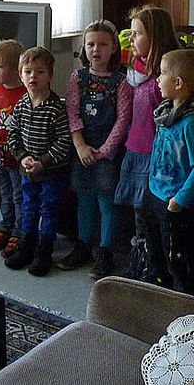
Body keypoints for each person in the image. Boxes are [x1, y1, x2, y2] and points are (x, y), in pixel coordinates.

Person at [57, 20, 131, 278]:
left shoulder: (121, 83)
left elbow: (123, 120)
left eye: (102, 44)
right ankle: (83, 245)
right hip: (82, 148)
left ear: (114, 48)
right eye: (90, 44)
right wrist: (80, 145)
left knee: (106, 202)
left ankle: (105, 251)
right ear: (84, 48)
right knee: (84, 201)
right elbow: (72, 111)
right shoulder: (78, 77)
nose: (96, 49)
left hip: (106, 152)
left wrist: (104, 150)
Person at [114, 5, 181, 280]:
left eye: (137, 33)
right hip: (136, 150)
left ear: (155, 37)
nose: (131, 39)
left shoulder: (162, 82)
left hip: (155, 159)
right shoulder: (136, 72)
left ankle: (155, 267)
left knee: (151, 219)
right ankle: (143, 259)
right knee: (138, 216)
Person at [141, 49, 194, 296]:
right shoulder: (165, 114)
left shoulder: (192, 123)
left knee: (179, 259)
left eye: (162, 74)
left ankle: (186, 301)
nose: (157, 79)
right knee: (155, 250)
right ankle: (160, 290)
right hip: (154, 195)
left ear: (178, 83)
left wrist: (179, 201)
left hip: (176, 204)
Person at [4, 47, 73, 277]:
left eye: (40, 71)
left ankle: (44, 251)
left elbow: (64, 140)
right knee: (29, 207)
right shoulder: (22, 105)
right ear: (20, 75)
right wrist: (23, 157)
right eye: (28, 71)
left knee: (49, 209)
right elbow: (12, 134)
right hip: (28, 170)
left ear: (50, 75)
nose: (33, 76)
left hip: (52, 172)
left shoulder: (56, 108)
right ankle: (26, 246)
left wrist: (42, 162)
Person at [0, 40, 28, 258]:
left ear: (15, 69)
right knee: (5, 195)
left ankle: (19, 233)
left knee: (18, 195)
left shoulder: (24, 94)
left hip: (16, 158)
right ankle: (6, 226)